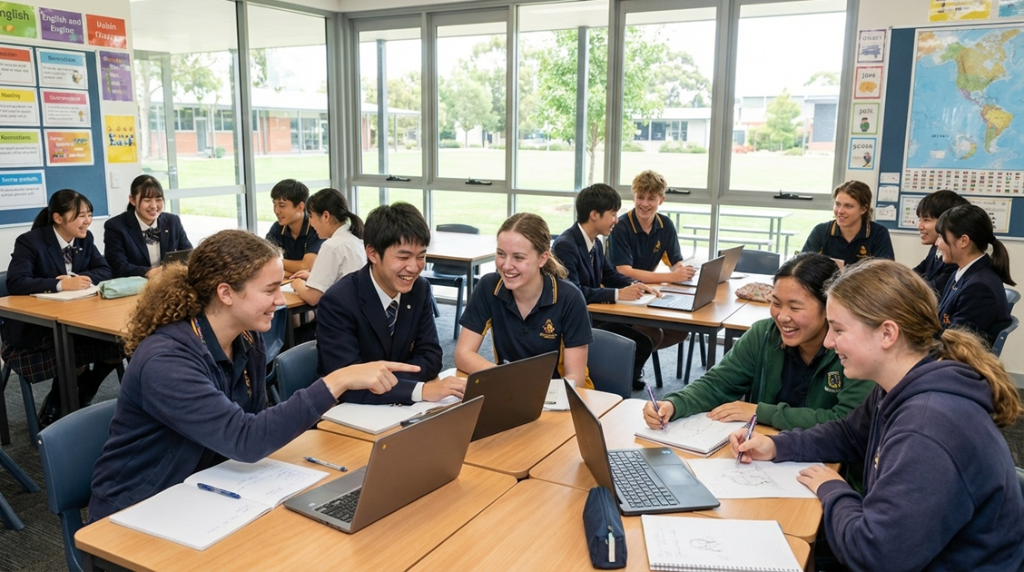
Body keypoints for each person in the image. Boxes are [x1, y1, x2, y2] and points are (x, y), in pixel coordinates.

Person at [88, 230, 416, 522]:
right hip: (139, 509)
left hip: (208, 488)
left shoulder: (246, 338)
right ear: (226, 293)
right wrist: (337, 380)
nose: (280, 299)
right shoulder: (165, 360)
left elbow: (255, 421)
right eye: (271, 289)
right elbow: (245, 439)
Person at [732, 259, 1024, 571]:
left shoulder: (927, 428)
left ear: (887, 334)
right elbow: (848, 433)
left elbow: (873, 557)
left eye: (839, 329)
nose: (829, 342)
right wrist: (778, 446)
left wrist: (832, 488)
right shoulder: (902, 383)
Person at [643, 253, 872, 431]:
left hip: (828, 464)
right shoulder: (764, 334)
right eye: (776, 303)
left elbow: (847, 421)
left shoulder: (852, 350)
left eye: (795, 307)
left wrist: (760, 412)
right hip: (764, 453)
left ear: (828, 307)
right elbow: (718, 383)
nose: (782, 316)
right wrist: (674, 404)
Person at [316, 202, 462, 404]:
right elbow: (346, 382)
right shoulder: (338, 302)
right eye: (403, 257)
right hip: (351, 412)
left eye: (421, 256)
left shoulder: (419, 289)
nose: (414, 267)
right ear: (373, 253)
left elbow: (431, 357)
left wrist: (388, 384)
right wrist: (419, 390)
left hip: (398, 407)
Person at [2, 190, 122, 425]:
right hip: (35, 327)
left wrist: (78, 278)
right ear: (58, 218)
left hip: (77, 316)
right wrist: (60, 285)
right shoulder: (30, 241)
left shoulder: (85, 239)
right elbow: (16, 282)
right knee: (70, 349)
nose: (87, 221)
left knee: (119, 344)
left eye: (89, 214)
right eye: (80, 215)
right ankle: (60, 402)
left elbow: (105, 270)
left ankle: (84, 391)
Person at [455, 213, 593, 387]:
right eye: (501, 254)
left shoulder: (570, 298)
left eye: (518, 257)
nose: (506, 265)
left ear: (542, 258)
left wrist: (520, 385)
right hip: (509, 390)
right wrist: (508, 378)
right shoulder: (489, 286)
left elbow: (576, 378)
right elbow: (463, 354)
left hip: (559, 395)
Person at [553, 183, 659, 391]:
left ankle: (623, 381)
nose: (616, 220)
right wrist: (619, 295)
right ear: (594, 214)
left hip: (595, 315)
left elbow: (610, 274)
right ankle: (614, 386)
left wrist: (636, 285)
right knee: (640, 343)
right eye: (612, 214)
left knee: (644, 341)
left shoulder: (596, 242)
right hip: (575, 323)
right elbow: (575, 291)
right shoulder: (566, 245)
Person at [609, 170, 695, 358]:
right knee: (652, 334)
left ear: (661, 200)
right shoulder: (621, 227)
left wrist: (683, 272)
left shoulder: (665, 224)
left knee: (681, 331)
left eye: (651, 198)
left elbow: (675, 263)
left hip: (648, 294)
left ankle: (632, 360)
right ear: (633, 197)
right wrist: (671, 277)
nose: (645, 204)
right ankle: (631, 363)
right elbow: (624, 271)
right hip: (623, 294)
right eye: (640, 197)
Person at [934, 204, 1014, 346]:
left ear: (963, 241)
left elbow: (954, 342)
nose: (937, 243)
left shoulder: (979, 287)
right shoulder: (961, 273)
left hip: (957, 362)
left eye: (941, 237)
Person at [103, 174, 193, 278]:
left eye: (158, 199)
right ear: (132, 200)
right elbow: (118, 267)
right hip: (135, 287)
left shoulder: (172, 221)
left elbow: (189, 255)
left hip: (168, 284)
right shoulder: (115, 226)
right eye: (147, 200)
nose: (154, 206)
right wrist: (148, 272)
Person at [288, 188, 366, 307]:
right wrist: (312, 278)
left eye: (311, 216)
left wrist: (297, 284)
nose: (310, 222)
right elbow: (343, 279)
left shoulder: (332, 246)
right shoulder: (354, 238)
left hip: (343, 317)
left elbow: (313, 297)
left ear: (325, 216)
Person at [801, 180, 894, 267]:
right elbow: (802, 267)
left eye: (848, 206)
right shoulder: (820, 231)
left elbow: (886, 274)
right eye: (837, 204)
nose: (840, 211)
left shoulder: (879, 233)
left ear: (863, 209)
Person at [912, 189, 969, 294]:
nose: (919, 226)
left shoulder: (956, 256)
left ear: (946, 221)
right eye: (919, 219)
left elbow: (935, 291)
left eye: (926, 220)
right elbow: (916, 273)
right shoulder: (936, 248)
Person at [265, 179, 323, 274]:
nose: (276, 211)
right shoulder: (278, 228)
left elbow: (307, 266)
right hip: (292, 282)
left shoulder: (316, 228)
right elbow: (262, 260)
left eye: (282, 206)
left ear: (300, 207)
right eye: (274, 205)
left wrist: (276, 263)